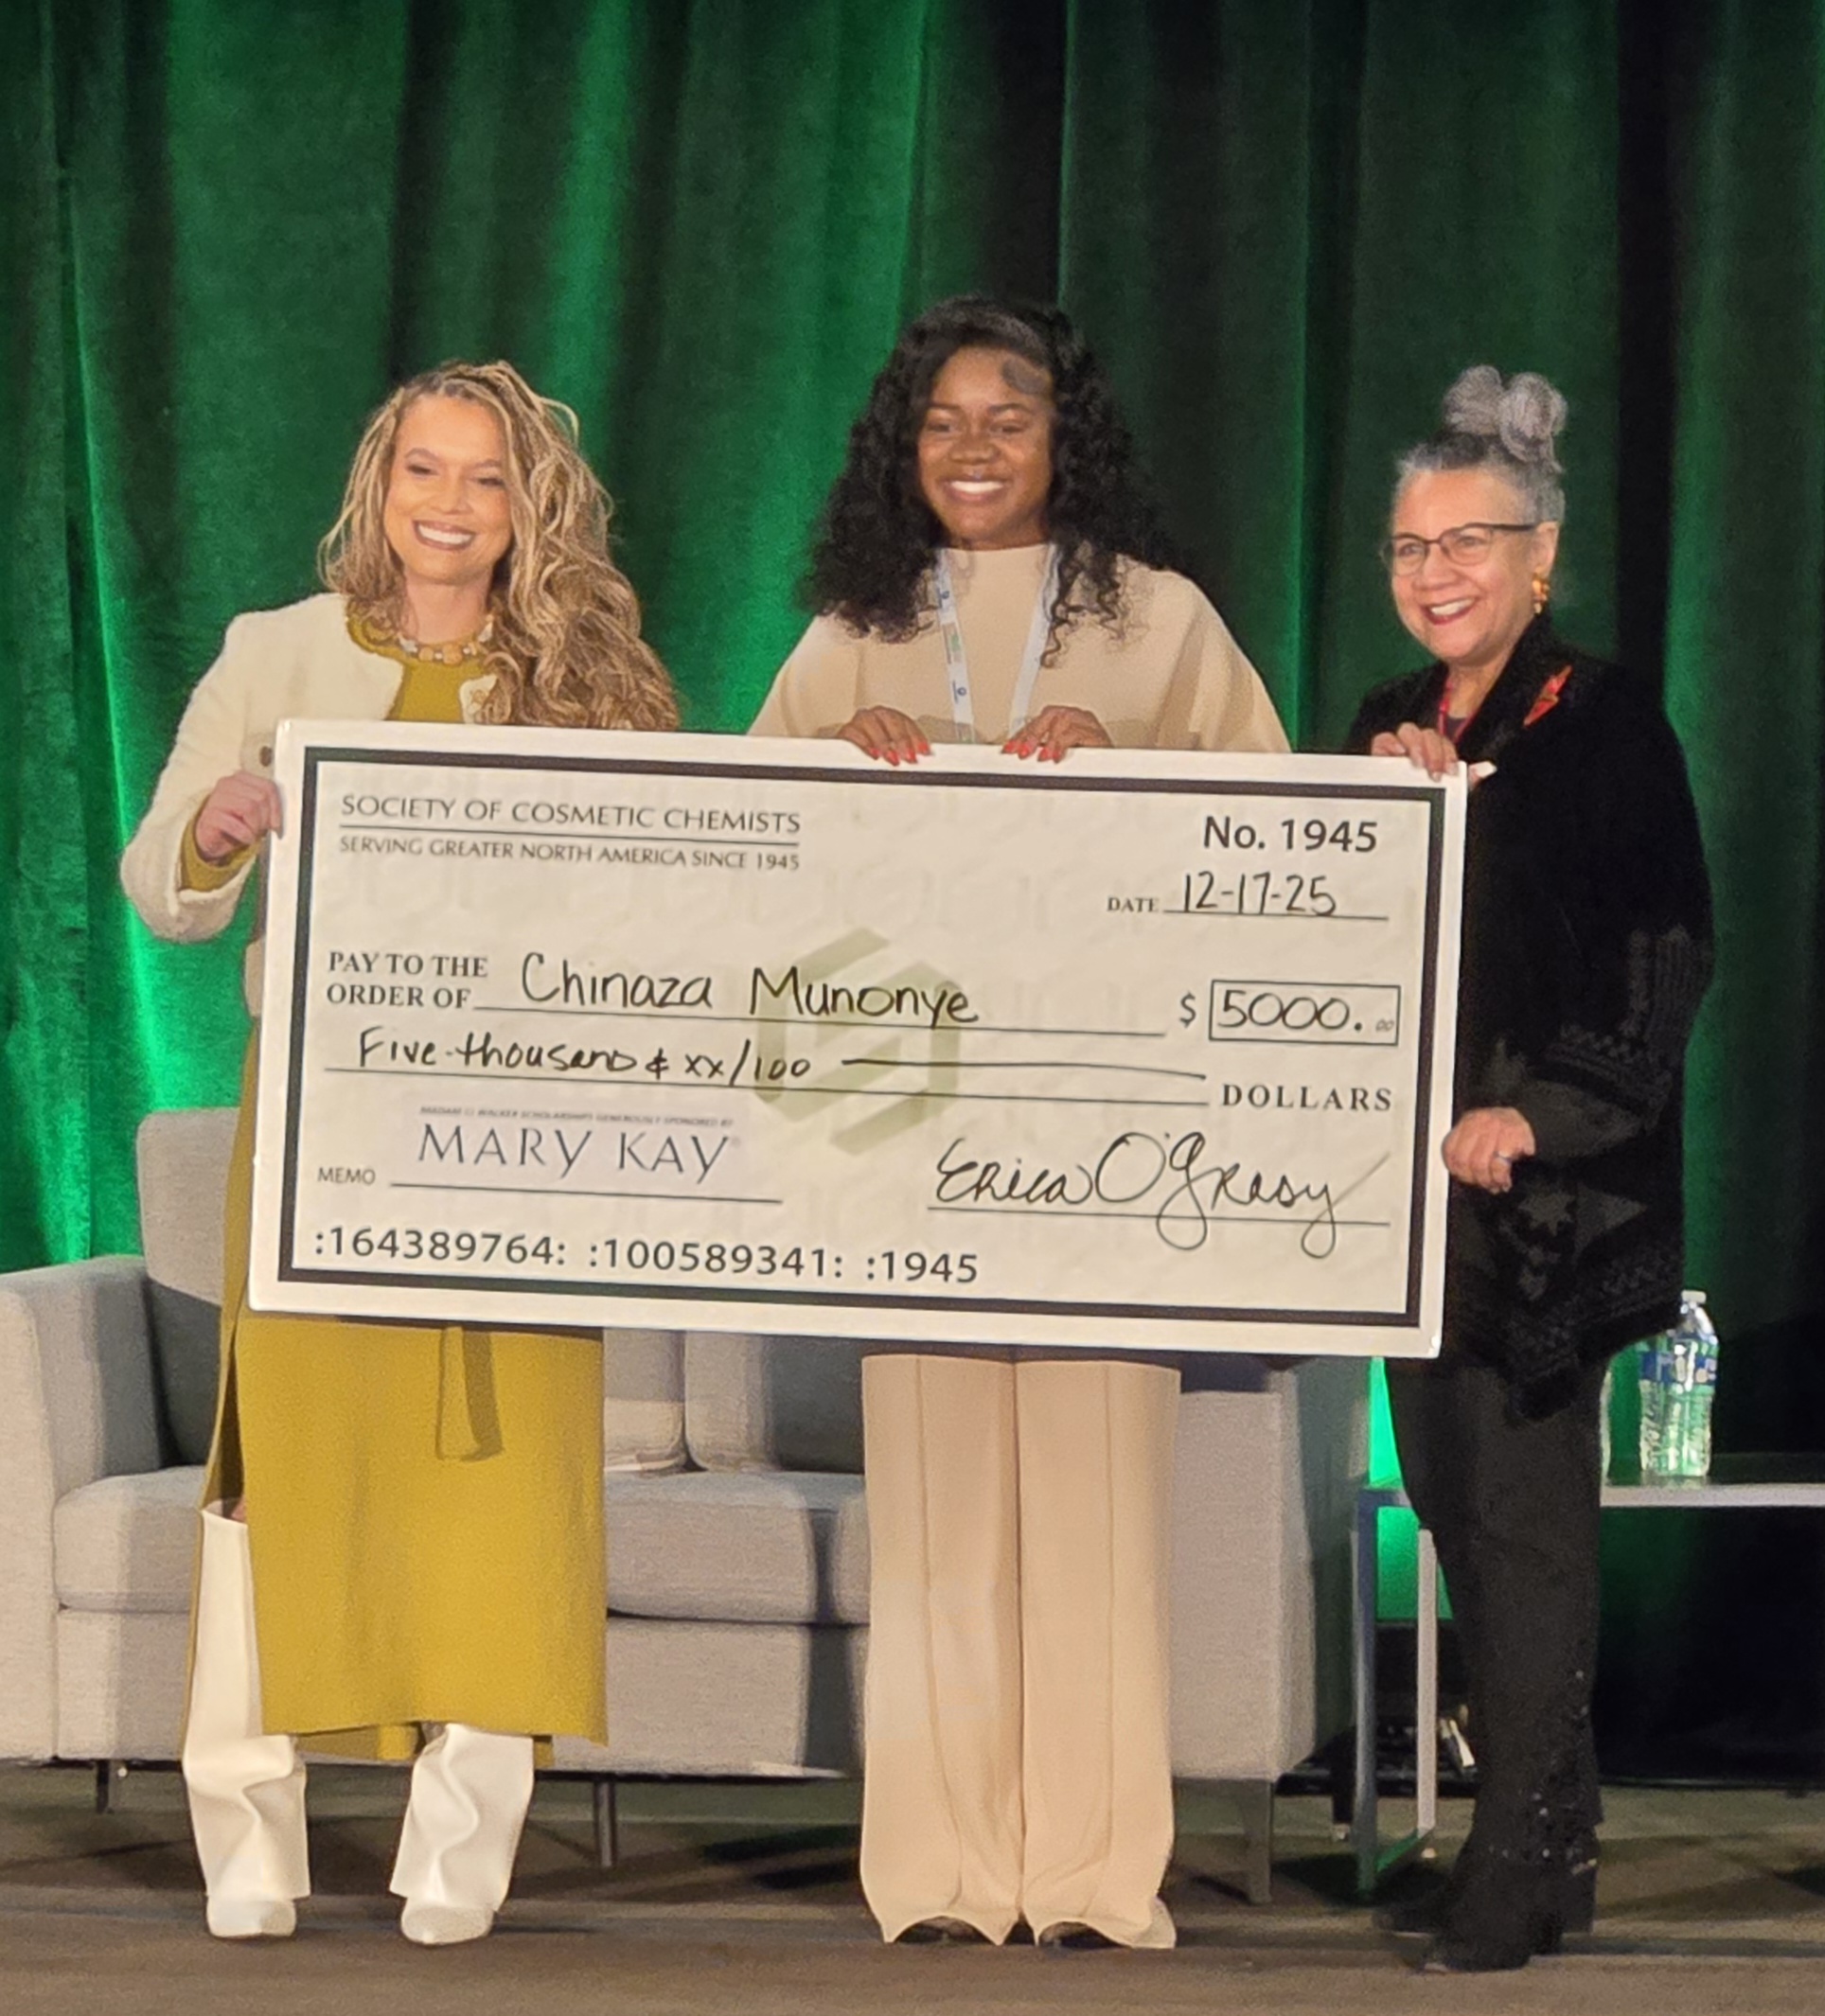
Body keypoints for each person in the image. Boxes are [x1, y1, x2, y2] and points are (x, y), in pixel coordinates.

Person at [752, 295, 1287, 1949]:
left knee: (1091, 1510)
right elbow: (736, 855)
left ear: (1071, 437)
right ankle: (940, 1868)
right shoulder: (851, 624)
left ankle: (1087, 1871)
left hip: (1105, 1145)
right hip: (913, 1147)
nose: (975, 446)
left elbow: (1278, 845)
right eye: (942, 420)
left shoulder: (1164, 621)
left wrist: (1122, 762)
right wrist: (835, 760)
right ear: (898, 451)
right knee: (936, 1519)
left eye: (1012, 415)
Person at [120, 362, 679, 1944]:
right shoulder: (273, 652)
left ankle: (459, 1850)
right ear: (378, 484)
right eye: (421, 469)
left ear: (529, 508)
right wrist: (220, 826)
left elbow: (665, 893)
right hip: (318, 1126)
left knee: (502, 1481)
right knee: (284, 1475)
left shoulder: (584, 671)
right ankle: (245, 1830)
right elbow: (162, 880)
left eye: (484, 478)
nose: (447, 503)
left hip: (522, 1134)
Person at [1348, 367, 1712, 1972]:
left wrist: (1540, 1117)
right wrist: (1364, 815)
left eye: (1467, 543)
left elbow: (1668, 955)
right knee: (1446, 1498)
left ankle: (1516, 1853)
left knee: (1523, 1515)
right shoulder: (1381, 721)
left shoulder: (1611, 720)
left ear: (1541, 557)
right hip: (1403, 1190)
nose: (1435, 572)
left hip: (1545, 1188)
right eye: (1410, 546)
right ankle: (1556, 1832)